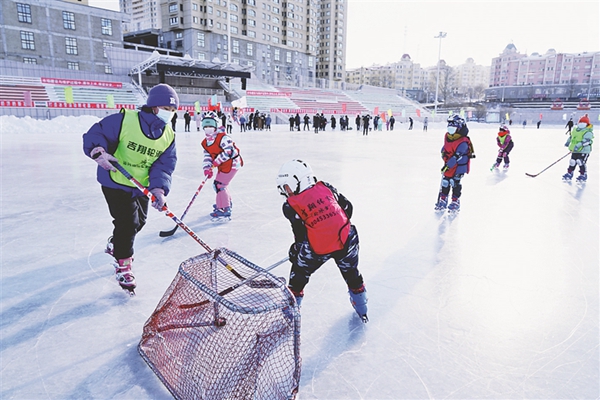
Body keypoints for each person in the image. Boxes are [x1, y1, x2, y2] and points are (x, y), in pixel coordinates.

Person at [82, 83, 178, 294]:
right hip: (115, 180)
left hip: (140, 185)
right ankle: (123, 265)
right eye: (166, 108)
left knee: (139, 222)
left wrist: (159, 189)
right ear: (154, 107)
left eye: (172, 110)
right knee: (128, 221)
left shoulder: (168, 135)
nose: (169, 113)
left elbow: (163, 165)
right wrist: (98, 151)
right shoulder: (125, 120)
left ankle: (116, 244)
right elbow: (96, 133)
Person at [276, 159, 368, 322]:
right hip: (347, 239)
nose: (286, 191)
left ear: (297, 181)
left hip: (317, 248)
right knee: (351, 273)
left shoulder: (290, 206)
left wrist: (295, 251)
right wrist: (333, 224)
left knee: (299, 274)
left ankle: (290, 313)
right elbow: (348, 208)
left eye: (287, 186)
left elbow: (300, 235)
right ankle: (362, 306)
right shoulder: (326, 187)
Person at [201, 111, 243, 220]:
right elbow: (207, 156)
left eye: (211, 124)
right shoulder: (206, 142)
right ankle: (224, 202)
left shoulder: (223, 138)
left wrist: (216, 162)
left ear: (216, 124)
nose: (208, 127)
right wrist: (207, 168)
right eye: (205, 124)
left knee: (220, 185)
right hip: (223, 165)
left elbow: (229, 152)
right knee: (218, 185)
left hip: (232, 163)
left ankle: (225, 208)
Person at [435, 115, 475, 212]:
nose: (450, 129)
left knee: (455, 182)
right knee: (445, 182)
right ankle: (443, 199)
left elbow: (456, 156)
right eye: (449, 127)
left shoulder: (463, 142)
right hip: (449, 164)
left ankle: (455, 201)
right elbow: (445, 147)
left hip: (458, 166)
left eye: (453, 127)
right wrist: (443, 153)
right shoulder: (448, 137)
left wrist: (447, 166)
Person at [562, 114, 594, 182]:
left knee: (580, 161)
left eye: (584, 122)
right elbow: (572, 137)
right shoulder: (575, 130)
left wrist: (578, 145)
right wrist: (568, 142)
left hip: (584, 150)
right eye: (581, 122)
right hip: (575, 150)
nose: (582, 124)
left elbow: (586, 141)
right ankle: (569, 173)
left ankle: (583, 174)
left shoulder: (588, 132)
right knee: (572, 161)